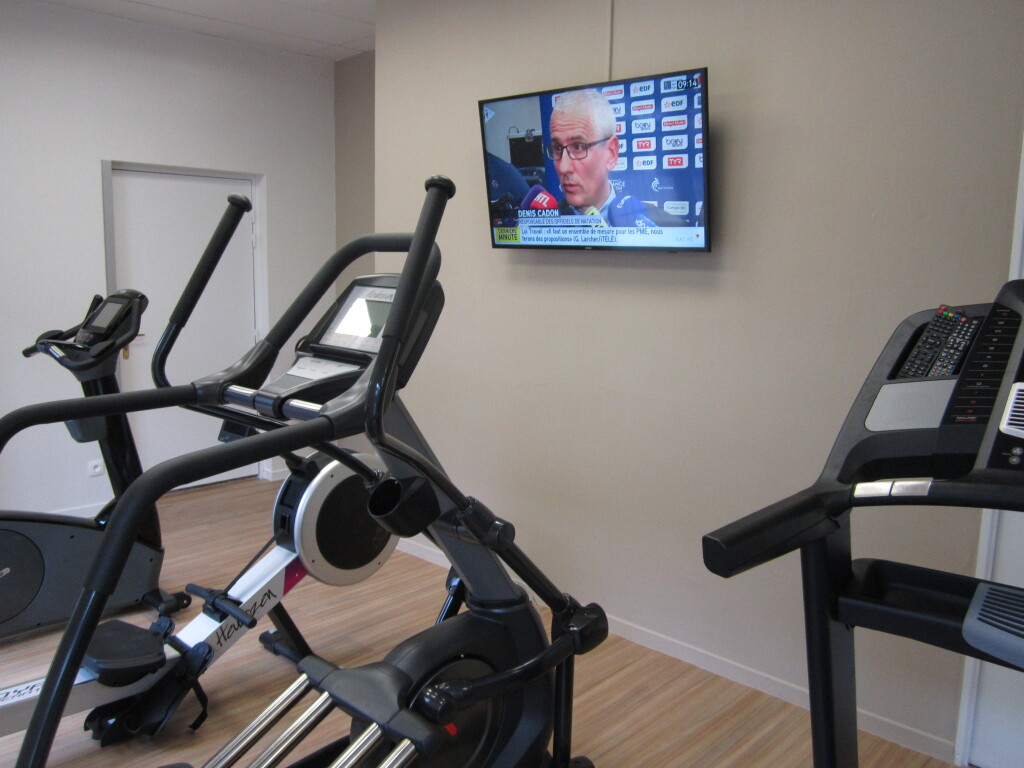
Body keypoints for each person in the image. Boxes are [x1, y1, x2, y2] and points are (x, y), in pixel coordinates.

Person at [547, 89, 685, 227]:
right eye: (557, 148)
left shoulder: (668, 227)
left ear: (611, 153)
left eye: (578, 147)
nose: (563, 167)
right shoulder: (543, 225)